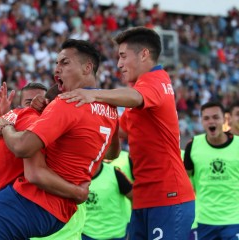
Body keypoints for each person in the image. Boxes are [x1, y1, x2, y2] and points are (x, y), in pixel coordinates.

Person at [0, 39, 120, 239]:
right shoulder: (109, 108)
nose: (57, 69)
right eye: (56, 63)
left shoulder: (66, 104)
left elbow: (23, 149)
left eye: (64, 63)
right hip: (56, 210)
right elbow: (111, 152)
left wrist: (7, 128)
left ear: (87, 68)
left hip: (33, 200)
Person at [59, 27, 195, 239]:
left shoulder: (156, 79)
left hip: (168, 195)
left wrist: (94, 96)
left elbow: (134, 97)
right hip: (145, 198)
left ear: (143, 54)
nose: (119, 64)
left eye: (123, 56)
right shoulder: (139, 91)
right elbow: (116, 130)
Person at [184, 102, 239, 240]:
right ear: (201, 121)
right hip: (203, 221)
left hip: (234, 221)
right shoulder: (193, 145)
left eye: (215, 117)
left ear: (224, 120)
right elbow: (185, 179)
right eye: (206, 118)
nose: (211, 121)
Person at [82, 161, 133, 240]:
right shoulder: (75, 176)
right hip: (86, 234)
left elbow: (134, 197)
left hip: (117, 235)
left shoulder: (114, 172)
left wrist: (133, 226)